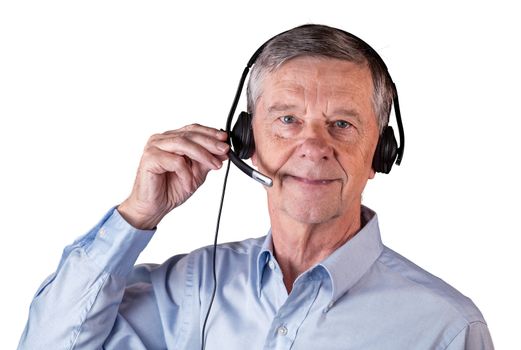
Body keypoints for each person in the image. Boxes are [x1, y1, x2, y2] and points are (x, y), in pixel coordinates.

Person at [18, 24, 494, 349]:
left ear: (380, 154)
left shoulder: (447, 327)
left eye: (343, 124)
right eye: (287, 119)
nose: (314, 146)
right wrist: (137, 216)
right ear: (246, 141)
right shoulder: (191, 288)